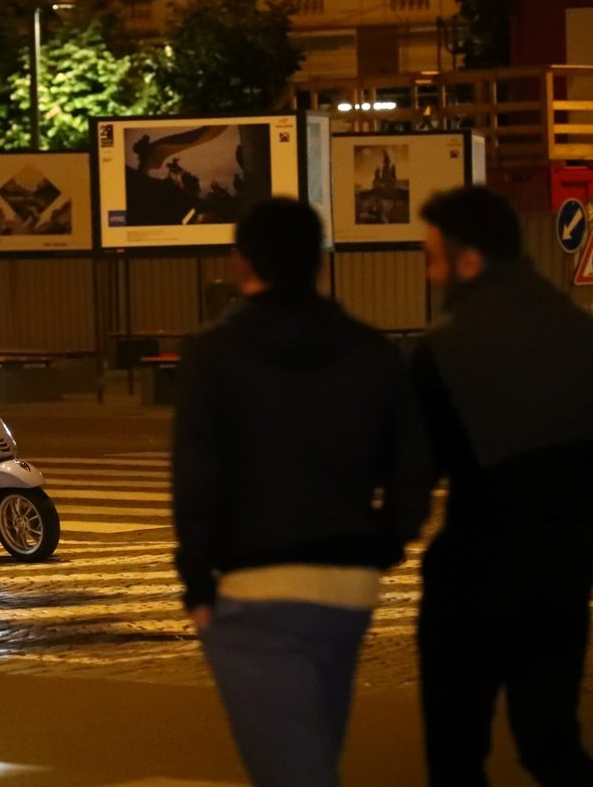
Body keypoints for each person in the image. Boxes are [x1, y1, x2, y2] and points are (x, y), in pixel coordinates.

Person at [171, 197, 433, 787]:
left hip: (255, 586)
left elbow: (197, 477)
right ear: (318, 260)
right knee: (314, 749)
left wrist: (196, 582)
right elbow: (412, 463)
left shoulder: (213, 354)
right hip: (349, 586)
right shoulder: (370, 348)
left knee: (293, 771)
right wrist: (386, 541)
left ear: (243, 263)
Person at [411, 185, 593, 787]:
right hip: (563, 576)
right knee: (550, 744)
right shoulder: (579, 332)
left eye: (433, 256)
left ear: (468, 260)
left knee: (457, 755)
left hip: (474, 576)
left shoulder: (444, 349)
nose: (431, 272)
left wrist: (378, 542)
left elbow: (415, 471)